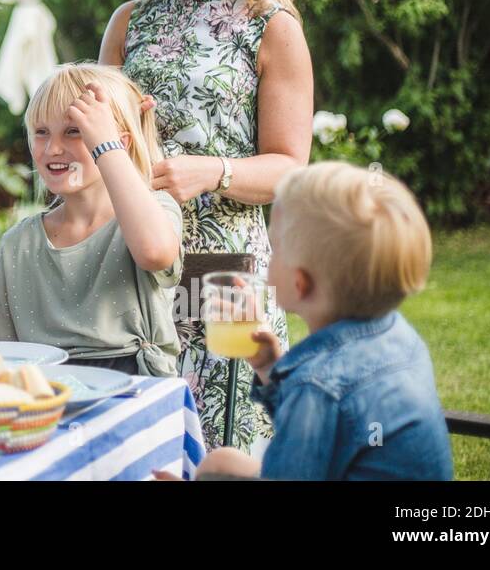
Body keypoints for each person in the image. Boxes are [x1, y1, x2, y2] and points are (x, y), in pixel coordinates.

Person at [100, 0, 313, 449]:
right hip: (135, 260)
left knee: (226, 443)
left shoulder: (272, 27)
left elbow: (290, 169)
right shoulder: (130, 21)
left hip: (225, 275)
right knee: (142, 442)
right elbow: (100, 143)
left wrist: (213, 172)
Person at [177, 161, 453, 480]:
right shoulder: (400, 336)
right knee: (220, 463)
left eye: (274, 247)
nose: (267, 256)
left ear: (300, 283)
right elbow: (330, 428)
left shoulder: (317, 387)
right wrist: (270, 367)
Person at [0, 63, 183, 376]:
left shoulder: (153, 211)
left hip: (134, 397)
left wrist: (106, 146)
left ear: (119, 143)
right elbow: (3, 356)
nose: (53, 148)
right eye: (41, 133)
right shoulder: (18, 243)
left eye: (74, 131)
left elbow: (154, 252)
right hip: (45, 397)